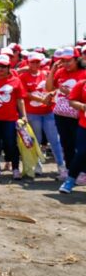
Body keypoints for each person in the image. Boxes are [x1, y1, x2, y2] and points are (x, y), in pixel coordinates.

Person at [19, 52, 65, 178]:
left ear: (41, 63)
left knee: (55, 140)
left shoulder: (46, 74)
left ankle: (61, 166)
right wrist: (42, 100)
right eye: (32, 62)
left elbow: (54, 87)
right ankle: (37, 165)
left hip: (48, 112)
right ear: (28, 63)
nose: (35, 64)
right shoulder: (23, 76)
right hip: (33, 114)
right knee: (36, 140)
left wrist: (51, 95)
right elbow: (25, 94)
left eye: (37, 62)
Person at [46, 47, 86, 178]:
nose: (66, 63)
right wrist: (53, 70)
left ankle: (82, 172)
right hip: (61, 114)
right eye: (63, 60)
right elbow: (49, 88)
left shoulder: (83, 73)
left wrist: (70, 93)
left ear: (77, 59)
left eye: (69, 60)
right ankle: (70, 171)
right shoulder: (60, 72)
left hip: (78, 115)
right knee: (66, 143)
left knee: (79, 145)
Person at [60, 78, 86, 193]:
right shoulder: (82, 83)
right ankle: (70, 180)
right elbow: (72, 101)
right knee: (81, 153)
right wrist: (82, 106)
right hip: (84, 126)